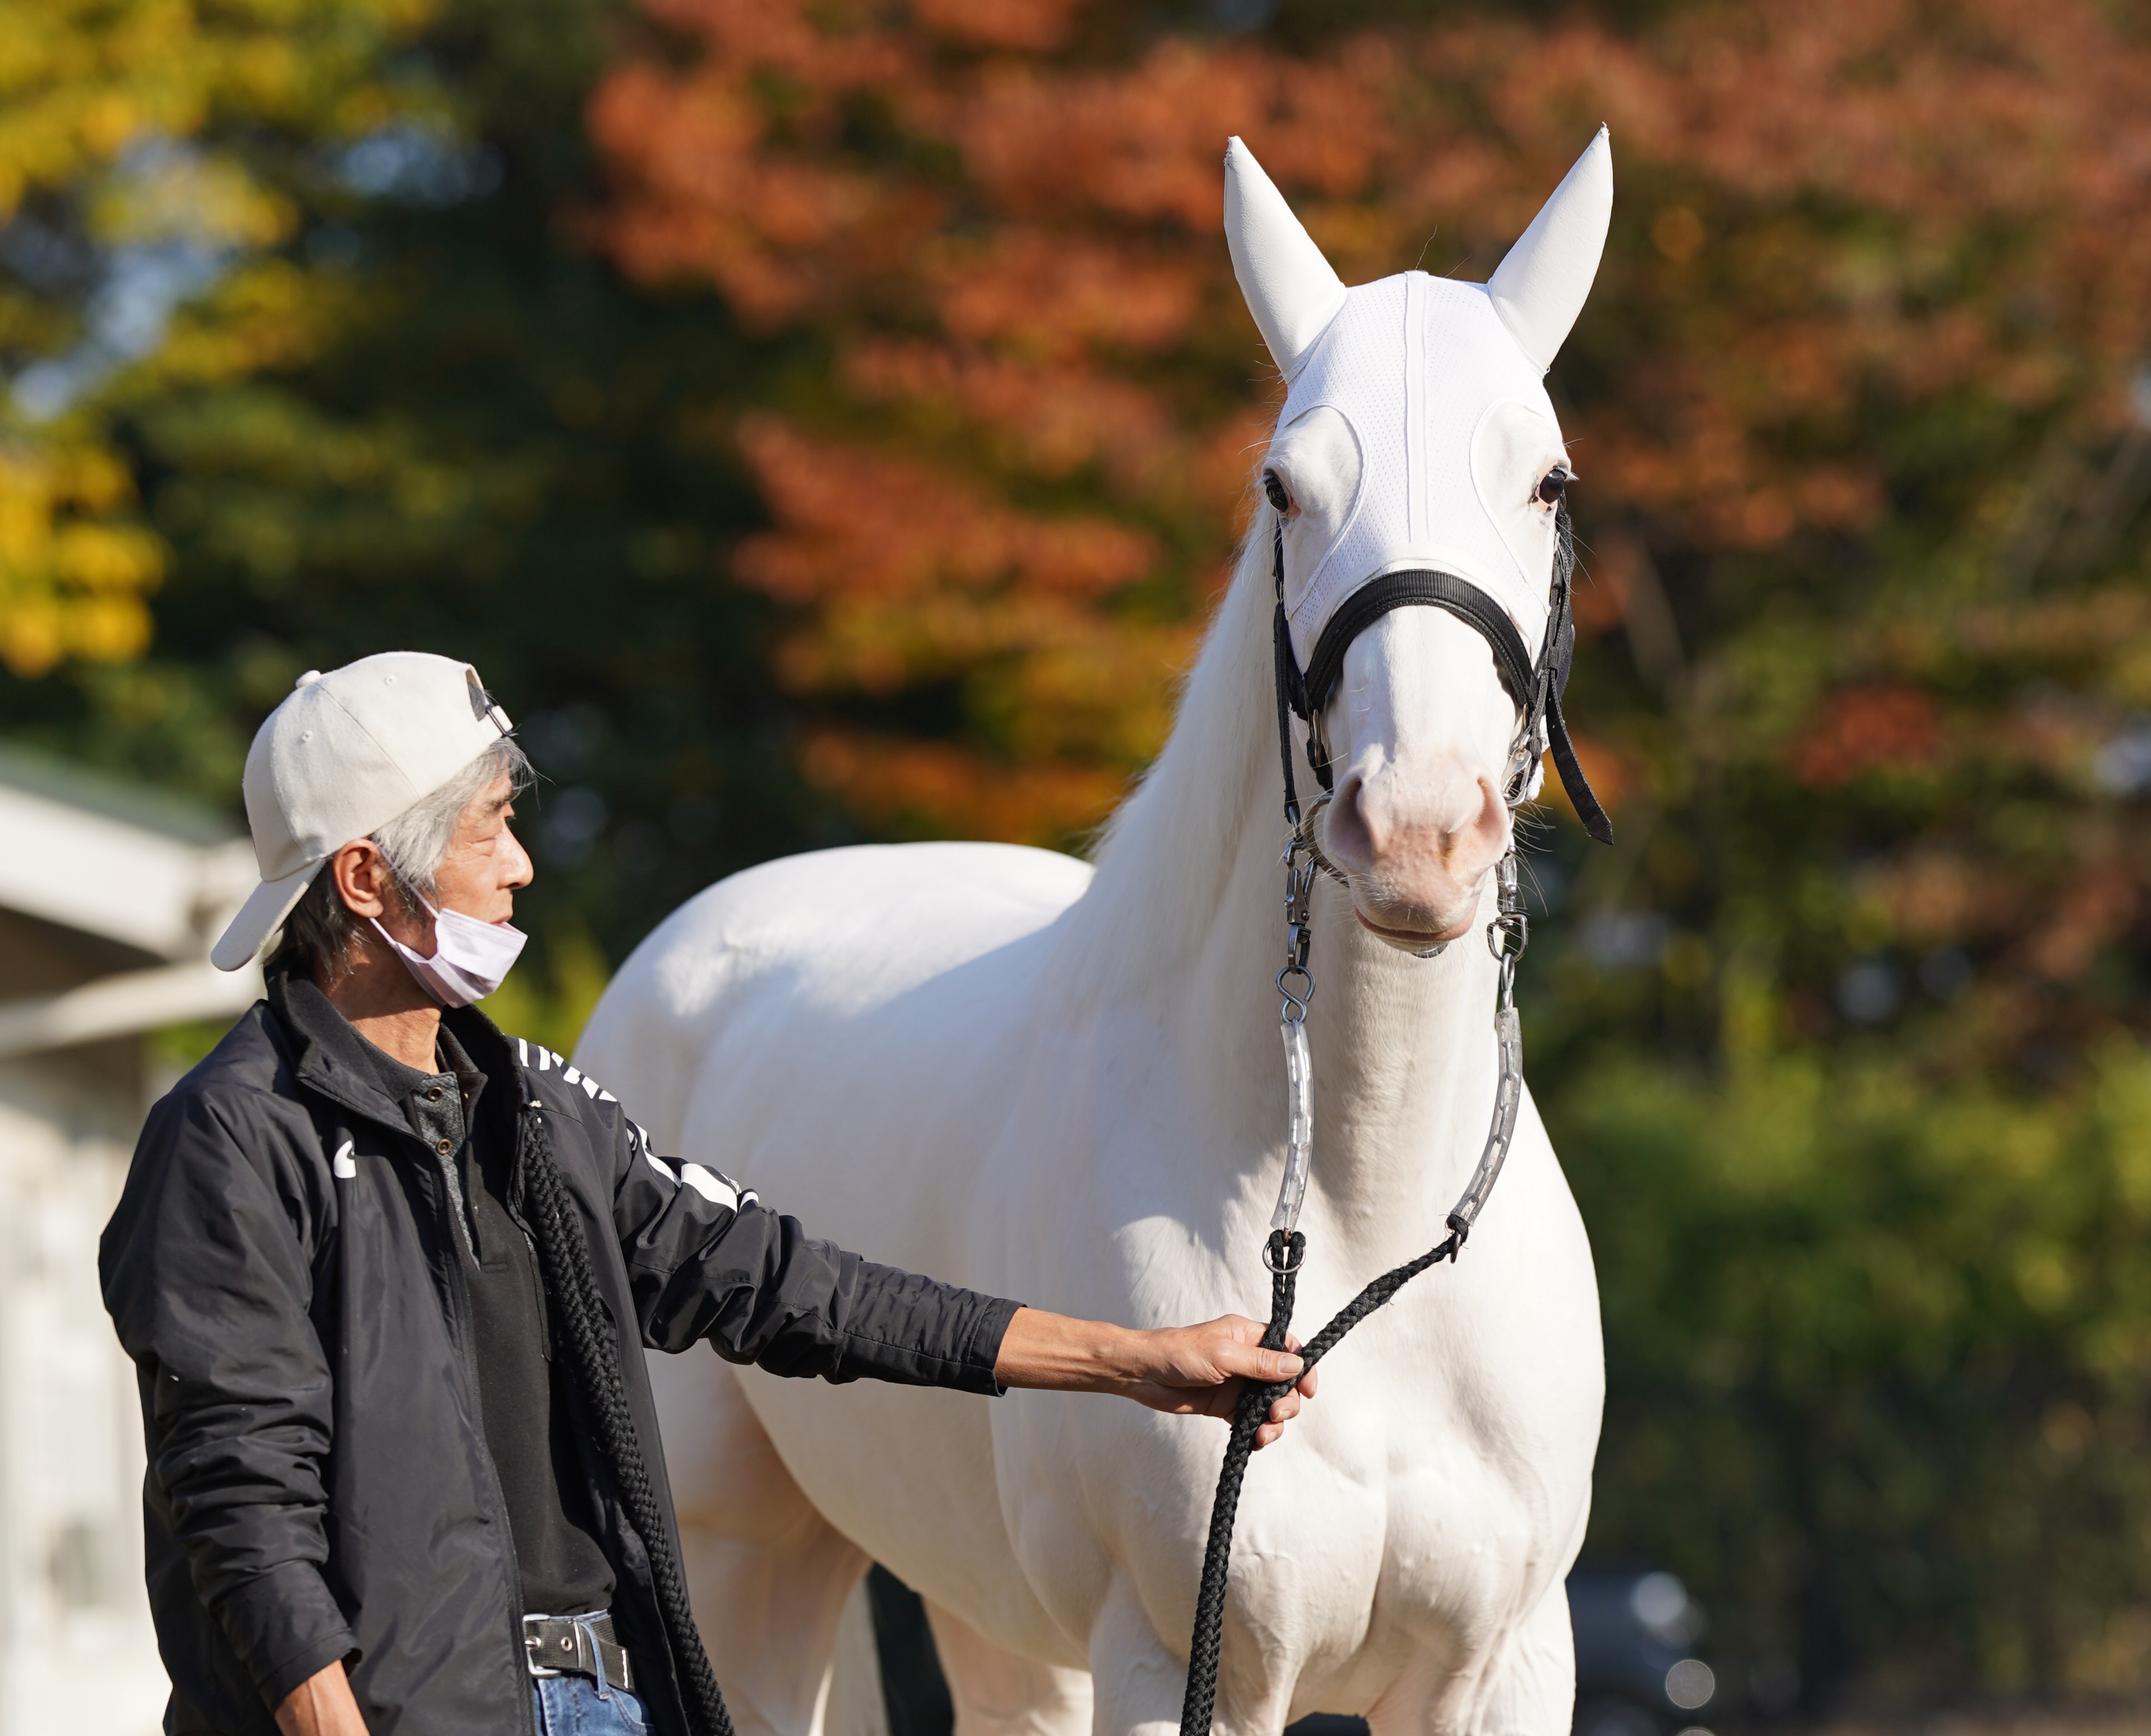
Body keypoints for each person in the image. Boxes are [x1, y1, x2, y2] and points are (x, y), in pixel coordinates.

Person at [99, 653, 1316, 1736]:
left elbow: (799, 1291)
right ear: (367, 878)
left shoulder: (527, 1107)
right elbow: (240, 1503)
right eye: (488, 829)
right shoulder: (227, 1141)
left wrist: (1133, 1361)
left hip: (591, 1702)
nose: (520, 865)